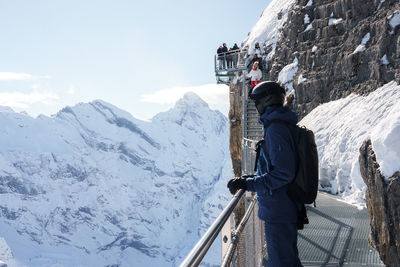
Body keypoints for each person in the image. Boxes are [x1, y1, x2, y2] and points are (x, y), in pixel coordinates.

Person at [227, 81, 303, 267]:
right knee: (288, 260)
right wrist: (249, 180)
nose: (256, 107)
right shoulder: (278, 125)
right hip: (282, 207)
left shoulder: (276, 129)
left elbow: (283, 173)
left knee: (281, 263)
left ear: (266, 101)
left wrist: (248, 185)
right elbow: (273, 168)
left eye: (257, 102)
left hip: (279, 209)